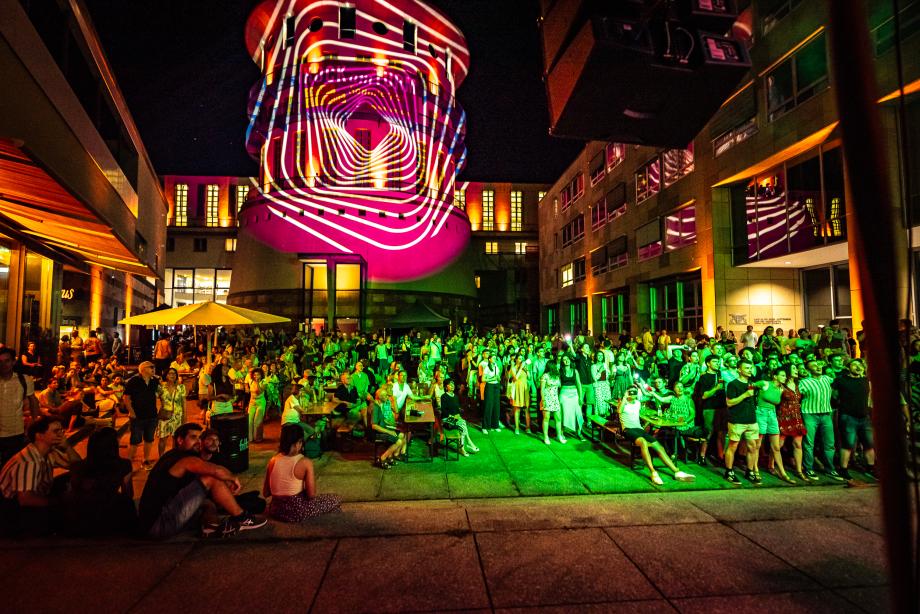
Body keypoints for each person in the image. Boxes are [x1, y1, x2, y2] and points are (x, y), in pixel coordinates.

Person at [138, 422, 267, 539]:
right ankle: (242, 518)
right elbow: (214, 471)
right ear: (180, 440)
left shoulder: (172, 455)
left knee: (207, 503)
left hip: (152, 524)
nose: (198, 442)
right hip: (160, 524)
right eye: (193, 437)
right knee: (210, 478)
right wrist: (233, 478)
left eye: (199, 438)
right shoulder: (185, 459)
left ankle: (211, 528)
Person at [0, 417, 81, 535]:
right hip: (11, 509)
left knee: (72, 479)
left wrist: (67, 446)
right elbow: (25, 499)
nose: (61, 435)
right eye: (55, 431)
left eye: (61, 431)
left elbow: (77, 467)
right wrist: (57, 502)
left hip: (33, 495)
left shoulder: (48, 452)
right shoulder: (29, 461)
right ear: (39, 436)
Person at [63, 427, 136, 536]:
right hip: (108, 516)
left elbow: (75, 489)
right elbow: (128, 493)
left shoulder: (79, 467)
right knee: (127, 503)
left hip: (82, 518)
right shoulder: (123, 465)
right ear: (113, 445)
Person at [617, 387, 695, 485]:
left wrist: (642, 390)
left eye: (634, 392)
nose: (633, 394)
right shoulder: (623, 402)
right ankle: (653, 472)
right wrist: (625, 397)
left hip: (639, 429)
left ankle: (677, 471)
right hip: (628, 430)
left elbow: (643, 408)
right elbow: (619, 411)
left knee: (659, 447)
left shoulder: (637, 403)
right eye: (630, 392)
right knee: (643, 442)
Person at [262, 424, 341, 521]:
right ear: (298, 443)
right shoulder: (305, 462)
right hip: (297, 511)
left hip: (276, 511)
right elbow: (311, 495)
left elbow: (266, 493)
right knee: (336, 498)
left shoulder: (273, 460)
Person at [797, 360, 844, 481]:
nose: (817, 367)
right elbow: (796, 397)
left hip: (826, 414)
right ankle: (808, 468)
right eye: (814, 366)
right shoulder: (804, 382)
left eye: (818, 365)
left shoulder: (828, 379)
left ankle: (830, 469)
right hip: (809, 415)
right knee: (809, 444)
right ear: (808, 370)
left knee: (829, 444)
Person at [832, 358, 874, 479]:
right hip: (848, 416)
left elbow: (870, 397)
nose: (857, 367)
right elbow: (833, 395)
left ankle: (870, 468)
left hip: (864, 417)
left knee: (869, 443)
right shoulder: (841, 380)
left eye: (859, 365)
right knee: (848, 444)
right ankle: (843, 469)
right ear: (848, 367)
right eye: (854, 365)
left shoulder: (866, 380)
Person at [724, 359, 764, 485]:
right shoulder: (733, 384)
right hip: (737, 420)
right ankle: (729, 471)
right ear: (739, 370)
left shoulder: (752, 383)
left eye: (750, 367)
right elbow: (729, 403)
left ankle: (750, 471)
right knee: (733, 446)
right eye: (746, 368)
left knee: (752, 446)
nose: (749, 370)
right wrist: (745, 395)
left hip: (751, 420)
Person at [0, 347, 40, 466]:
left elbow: (33, 401)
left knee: (12, 467)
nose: (3, 364)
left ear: (13, 362)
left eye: (7, 361)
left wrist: (34, 421)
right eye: (0, 362)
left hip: (16, 432)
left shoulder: (24, 379)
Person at [756, 368, 796, 483]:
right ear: (775, 376)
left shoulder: (781, 389)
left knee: (776, 446)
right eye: (782, 375)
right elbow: (749, 386)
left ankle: (782, 472)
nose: (785, 377)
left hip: (772, 415)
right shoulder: (765, 383)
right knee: (758, 444)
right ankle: (755, 469)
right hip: (761, 413)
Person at [124, 361, 160, 470]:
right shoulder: (134, 381)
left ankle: (146, 459)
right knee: (135, 440)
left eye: (154, 367)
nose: (153, 369)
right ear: (143, 369)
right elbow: (126, 398)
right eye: (151, 367)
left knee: (149, 439)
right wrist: (132, 412)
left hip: (152, 415)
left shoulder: (155, 381)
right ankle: (128, 463)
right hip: (138, 416)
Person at [776, 364, 808, 480]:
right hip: (783, 417)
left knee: (798, 444)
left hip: (796, 417)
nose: (796, 370)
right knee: (778, 445)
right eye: (794, 368)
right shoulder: (781, 385)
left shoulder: (799, 384)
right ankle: (771, 466)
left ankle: (799, 470)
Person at [439, 379, 478, 455]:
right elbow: (444, 411)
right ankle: (468, 443)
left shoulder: (455, 396)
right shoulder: (444, 396)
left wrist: (458, 415)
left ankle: (463, 448)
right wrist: (454, 417)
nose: (452, 385)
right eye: (450, 384)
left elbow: (457, 410)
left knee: (462, 427)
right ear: (446, 387)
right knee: (463, 423)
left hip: (455, 418)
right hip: (446, 419)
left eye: (453, 384)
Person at [371, 387, 407, 468]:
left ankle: (390, 456)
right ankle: (383, 458)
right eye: (386, 395)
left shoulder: (380, 405)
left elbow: (382, 420)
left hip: (384, 429)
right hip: (377, 433)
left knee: (402, 435)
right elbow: (374, 426)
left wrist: (391, 424)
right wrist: (389, 431)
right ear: (380, 397)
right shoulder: (375, 407)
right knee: (398, 441)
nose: (388, 397)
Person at [157, 367, 187, 458]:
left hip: (178, 415)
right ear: (166, 375)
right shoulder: (160, 387)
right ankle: (161, 457)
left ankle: (173, 457)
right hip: (165, 415)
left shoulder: (181, 387)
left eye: (174, 373)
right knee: (162, 438)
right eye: (170, 373)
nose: (172, 375)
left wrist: (185, 416)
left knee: (176, 438)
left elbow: (184, 402)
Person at [558, 354, 583, 441]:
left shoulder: (575, 371)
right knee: (563, 413)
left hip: (574, 393)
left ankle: (579, 432)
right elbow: (558, 384)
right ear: (562, 362)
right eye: (564, 359)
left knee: (578, 413)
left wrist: (580, 397)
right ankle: (561, 432)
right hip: (564, 393)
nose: (566, 361)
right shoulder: (560, 371)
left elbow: (579, 384)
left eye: (567, 359)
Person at [539, 360, 564, 445]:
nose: (556, 367)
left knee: (558, 418)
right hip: (547, 398)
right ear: (551, 366)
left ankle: (559, 436)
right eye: (555, 366)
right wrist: (543, 400)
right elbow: (541, 389)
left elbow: (559, 385)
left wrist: (558, 376)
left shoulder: (557, 376)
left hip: (555, 398)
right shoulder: (545, 376)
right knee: (546, 419)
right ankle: (546, 437)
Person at [479, 349, 502, 433]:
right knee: (488, 406)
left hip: (496, 386)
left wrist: (498, 378)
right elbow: (483, 379)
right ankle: (485, 427)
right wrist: (492, 378)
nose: (495, 359)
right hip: (489, 386)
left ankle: (495, 425)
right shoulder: (487, 367)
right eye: (493, 358)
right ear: (489, 359)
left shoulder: (496, 366)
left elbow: (498, 377)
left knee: (496, 406)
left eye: (495, 358)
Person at [507, 354, 530, 434]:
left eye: (522, 359)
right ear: (516, 359)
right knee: (517, 409)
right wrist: (520, 368)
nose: (521, 360)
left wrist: (526, 370)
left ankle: (528, 427)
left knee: (527, 409)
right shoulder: (513, 368)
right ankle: (517, 428)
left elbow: (529, 377)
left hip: (525, 388)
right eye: (519, 358)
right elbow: (515, 378)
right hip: (517, 388)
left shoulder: (524, 368)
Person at [248, 368, 266, 443]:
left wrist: (257, 382)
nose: (256, 376)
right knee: (249, 420)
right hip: (252, 402)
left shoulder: (264, 382)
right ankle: (250, 438)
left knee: (257, 421)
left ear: (261, 375)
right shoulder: (250, 381)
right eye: (254, 375)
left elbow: (258, 391)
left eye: (258, 375)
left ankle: (258, 438)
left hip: (260, 402)